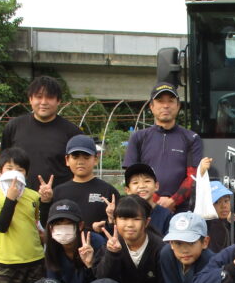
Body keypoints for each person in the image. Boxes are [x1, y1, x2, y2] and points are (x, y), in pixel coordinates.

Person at [123, 81, 203, 212]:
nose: (166, 106)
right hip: (145, 208)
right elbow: (131, 176)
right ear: (151, 106)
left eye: (171, 101)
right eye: (160, 101)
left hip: (181, 210)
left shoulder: (191, 138)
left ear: (178, 106)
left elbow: (193, 176)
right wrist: (154, 200)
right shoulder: (138, 137)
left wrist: (173, 201)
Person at [0, 147, 48, 283]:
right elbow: (1, 226)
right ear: (0, 171)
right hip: (8, 262)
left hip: (35, 260)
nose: (14, 173)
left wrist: (45, 201)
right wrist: (10, 199)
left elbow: (39, 222)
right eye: (9, 168)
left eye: (20, 169)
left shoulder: (33, 196)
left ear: (26, 173)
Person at [92, 196, 170, 283]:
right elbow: (103, 280)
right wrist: (112, 254)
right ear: (115, 220)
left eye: (136, 219)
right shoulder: (112, 244)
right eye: (123, 218)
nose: (129, 224)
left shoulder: (161, 249)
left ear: (147, 222)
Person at [0, 75, 82, 187]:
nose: (43, 102)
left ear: (58, 101)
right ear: (30, 99)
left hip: (58, 200)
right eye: (39, 97)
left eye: (49, 97)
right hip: (20, 197)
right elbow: (4, 162)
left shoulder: (72, 132)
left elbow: (80, 169)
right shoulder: (14, 127)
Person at [43, 199, 105, 283]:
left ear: (80, 225)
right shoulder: (52, 247)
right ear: (50, 228)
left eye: (68, 223)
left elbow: (104, 282)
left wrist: (90, 265)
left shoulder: (96, 243)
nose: (62, 228)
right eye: (57, 224)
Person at [49, 135, 120, 229]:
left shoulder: (108, 190)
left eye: (86, 157)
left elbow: (119, 222)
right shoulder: (58, 192)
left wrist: (106, 224)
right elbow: (49, 223)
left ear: (95, 159)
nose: (80, 161)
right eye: (75, 157)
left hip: (100, 243)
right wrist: (45, 201)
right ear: (67, 160)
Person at [123, 162, 173, 237]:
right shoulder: (123, 213)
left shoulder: (166, 215)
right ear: (127, 190)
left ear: (156, 186)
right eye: (135, 182)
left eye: (147, 181)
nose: (142, 186)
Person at [206, 179, 235, 254]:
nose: (223, 206)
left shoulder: (224, 221)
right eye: (216, 202)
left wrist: (229, 223)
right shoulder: (213, 226)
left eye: (226, 201)